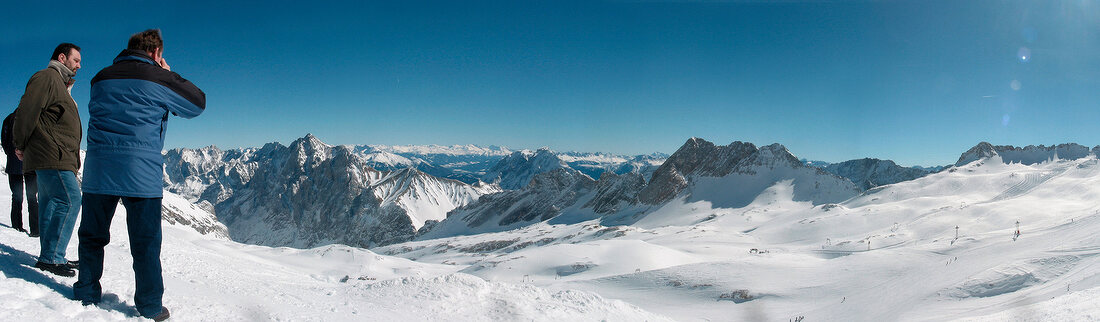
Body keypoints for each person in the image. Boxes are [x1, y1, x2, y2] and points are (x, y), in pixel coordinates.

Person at [74, 29, 205, 322]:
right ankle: (149, 307)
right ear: (156, 53)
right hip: (139, 171)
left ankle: (86, 291)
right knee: (145, 244)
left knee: (92, 236)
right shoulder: (158, 77)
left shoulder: (100, 78)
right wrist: (169, 74)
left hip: (99, 168)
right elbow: (197, 103)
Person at [12, 42, 83, 277]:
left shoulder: (59, 84)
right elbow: (26, 110)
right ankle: (53, 256)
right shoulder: (46, 77)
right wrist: (19, 143)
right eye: (76, 61)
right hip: (52, 154)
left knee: (52, 203)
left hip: (54, 154)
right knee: (71, 199)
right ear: (62, 58)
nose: (79, 66)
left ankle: (48, 254)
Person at [2, 112, 39, 237]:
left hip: (14, 163)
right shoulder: (31, 117)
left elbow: (4, 138)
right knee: (32, 197)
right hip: (30, 163)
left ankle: (16, 226)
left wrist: (12, 154)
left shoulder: (8, 118)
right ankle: (35, 230)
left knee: (17, 196)